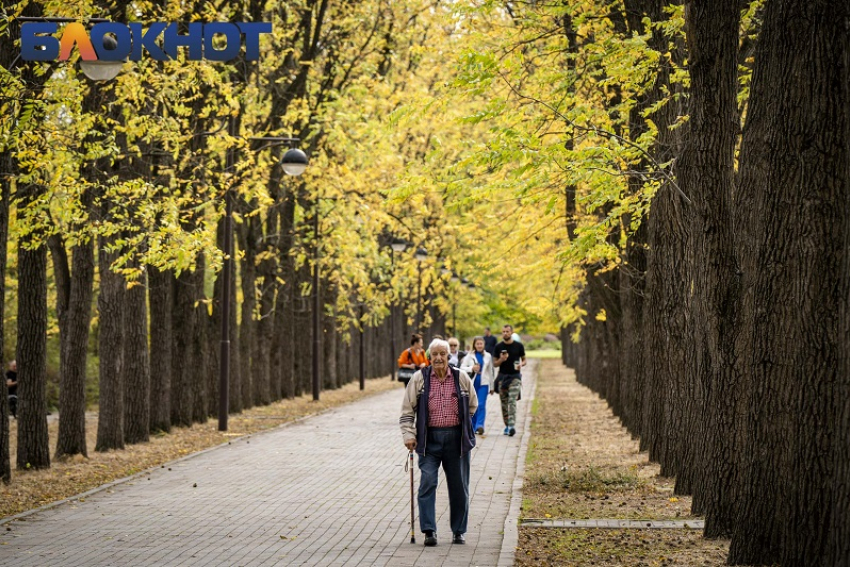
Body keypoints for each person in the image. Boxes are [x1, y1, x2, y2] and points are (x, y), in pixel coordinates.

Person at [400, 338, 477, 547]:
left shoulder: (461, 377)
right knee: (428, 482)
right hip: (429, 440)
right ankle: (429, 530)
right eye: (434, 354)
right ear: (429, 357)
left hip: (456, 440)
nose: (439, 358)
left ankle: (459, 531)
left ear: (448, 356)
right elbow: (407, 410)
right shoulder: (419, 379)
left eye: (443, 354)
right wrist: (408, 435)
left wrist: (464, 426)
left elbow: (472, 404)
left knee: (459, 486)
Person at [492, 324, 526, 436]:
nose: (505, 333)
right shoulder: (498, 347)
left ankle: (511, 426)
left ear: (511, 332)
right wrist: (501, 359)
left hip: (515, 377)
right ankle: (507, 425)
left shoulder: (518, 346)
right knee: (504, 403)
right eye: (503, 331)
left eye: (507, 331)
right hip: (502, 378)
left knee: (512, 401)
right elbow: (495, 364)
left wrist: (521, 364)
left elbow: (524, 359)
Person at [461, 337, 495, 435]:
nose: (479, 346)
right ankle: (473, 426)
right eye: (477, 344)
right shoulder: (469, 356)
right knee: (473, 405)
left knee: (481, 404)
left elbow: (490, 372)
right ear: (474, 345)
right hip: (472, 383)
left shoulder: (488, 356)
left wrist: (492, 387)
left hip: (484, 384)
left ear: (484, 345)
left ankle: (480, 425)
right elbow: (462, 368)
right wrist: (472, 368)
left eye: (481, 344)